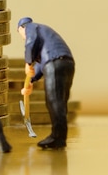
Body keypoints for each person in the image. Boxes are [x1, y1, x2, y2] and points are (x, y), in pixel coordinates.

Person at [17, 17, 75, 149]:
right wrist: (31, 80)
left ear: (21, 28)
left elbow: (30, 42)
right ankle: (60, 136)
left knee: (54, 101)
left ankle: (58, 137)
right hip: (67, 63)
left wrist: (28, 62)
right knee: (60, 101)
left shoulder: (31, 28)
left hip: (54, 63)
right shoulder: (45, 34)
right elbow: (41, 64)